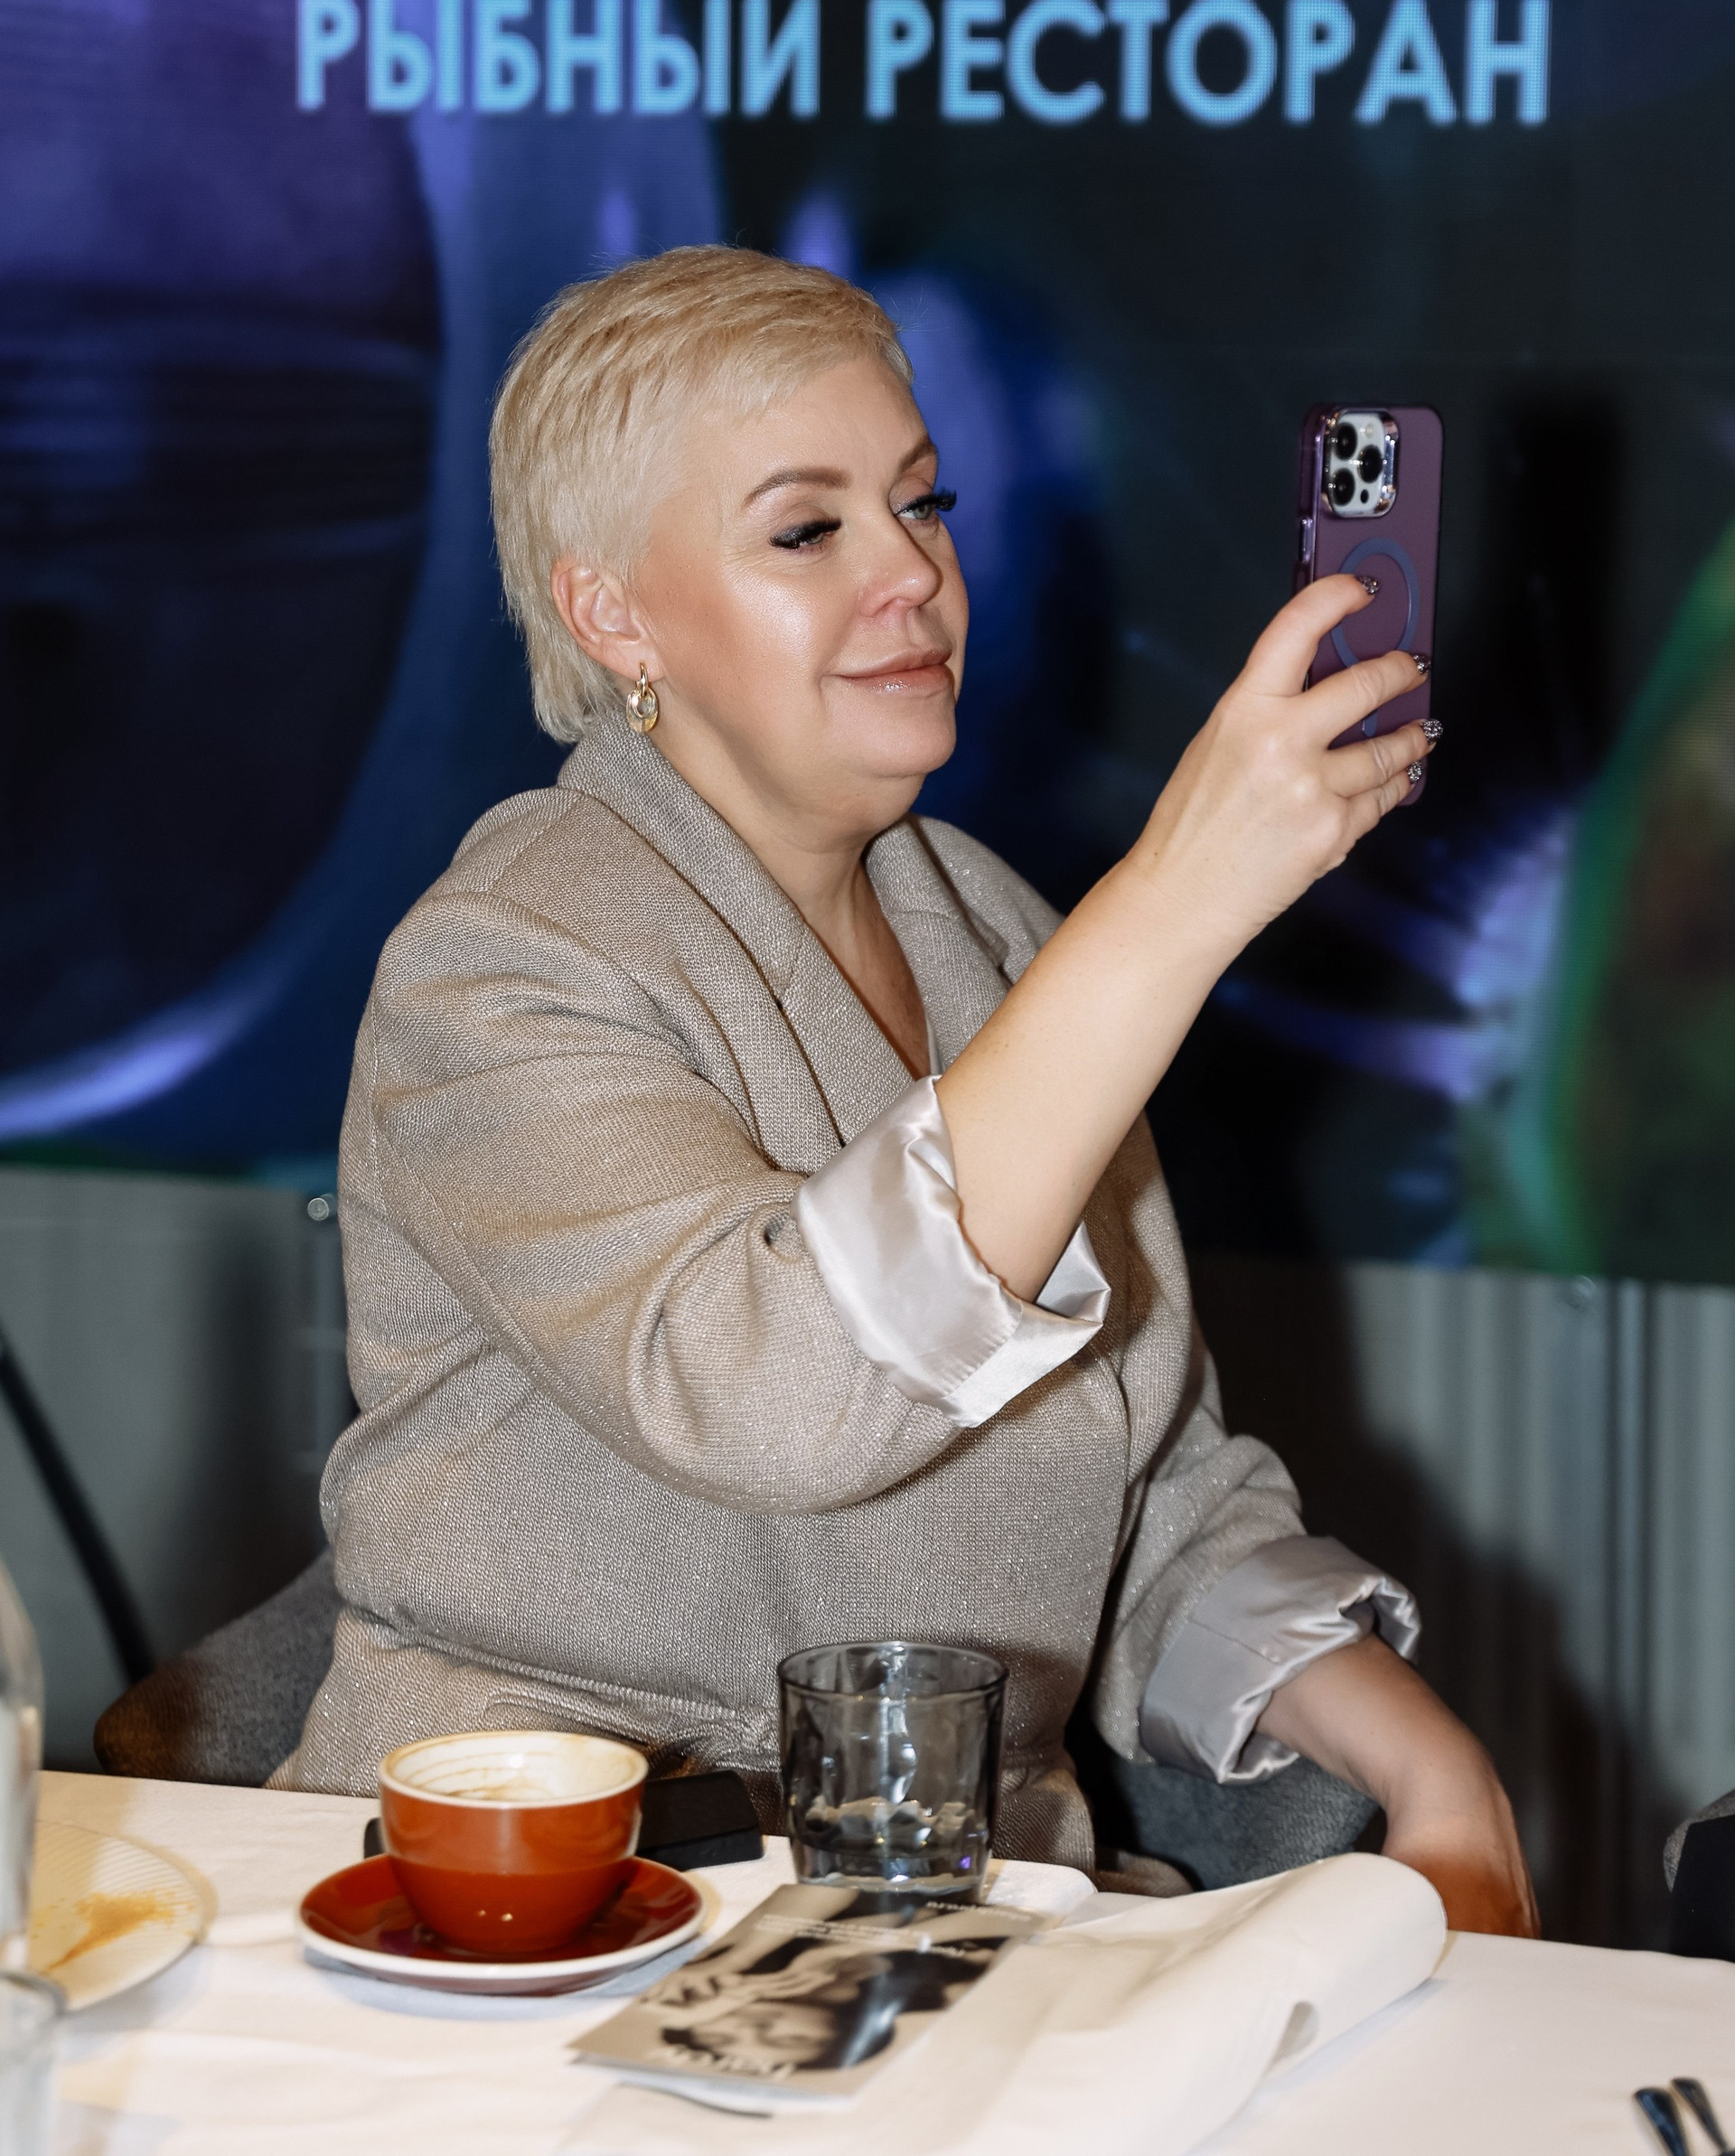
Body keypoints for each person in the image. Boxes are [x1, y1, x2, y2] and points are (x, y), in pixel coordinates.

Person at [280, 246, 1535, 1937]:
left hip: (961, 1921)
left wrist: (1439, 1774)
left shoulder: (1001, 933)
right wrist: (1174, 904)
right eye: (809, 531)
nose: (915, 576)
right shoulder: (502, 962)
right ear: (612, 614)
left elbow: (1156, 1496)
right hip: (544, 1918)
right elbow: (776, 1395)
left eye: (922, 504)